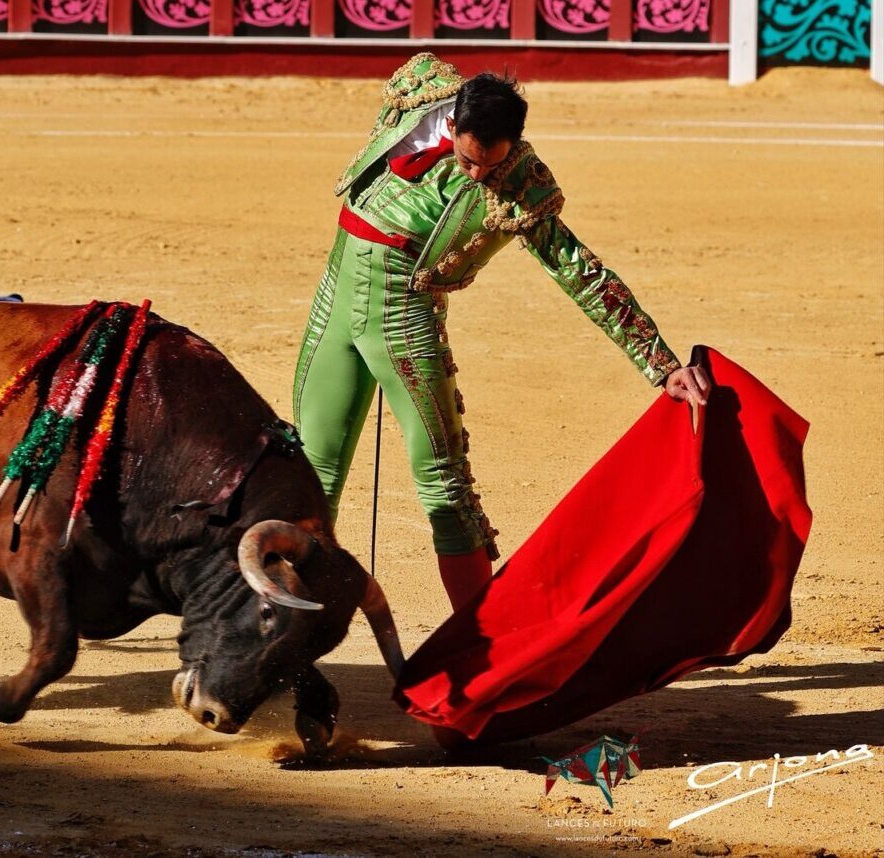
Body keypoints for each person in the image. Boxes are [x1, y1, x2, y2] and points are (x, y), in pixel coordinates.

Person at [292, 53, 711, 612]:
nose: (477, 175)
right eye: (468, 160)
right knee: (310, 471)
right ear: (453, 123)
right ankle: (280, 637)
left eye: (490, 165)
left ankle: (480, 643)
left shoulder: (520, 183)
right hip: (334, 291)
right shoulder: (416, 90)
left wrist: (659, 363)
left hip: (402, 312)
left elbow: (578, 270)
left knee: (443, 479)